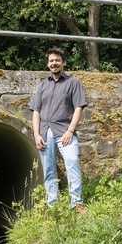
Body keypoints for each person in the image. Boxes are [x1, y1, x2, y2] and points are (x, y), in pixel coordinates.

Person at [30, 47, 88, 212]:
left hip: (64, 130)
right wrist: (36, 134)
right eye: (51, 61)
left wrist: (70, 131)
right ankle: (53, 205)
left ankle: (77, 203)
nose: (54, 63)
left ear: (63, 62)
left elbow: (78, 108)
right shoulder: (42, 86)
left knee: (72, 162)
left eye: (57, 60)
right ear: (48, 64)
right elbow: (36, 112)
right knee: (48, 170)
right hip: (44, 132)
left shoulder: (73, 83)